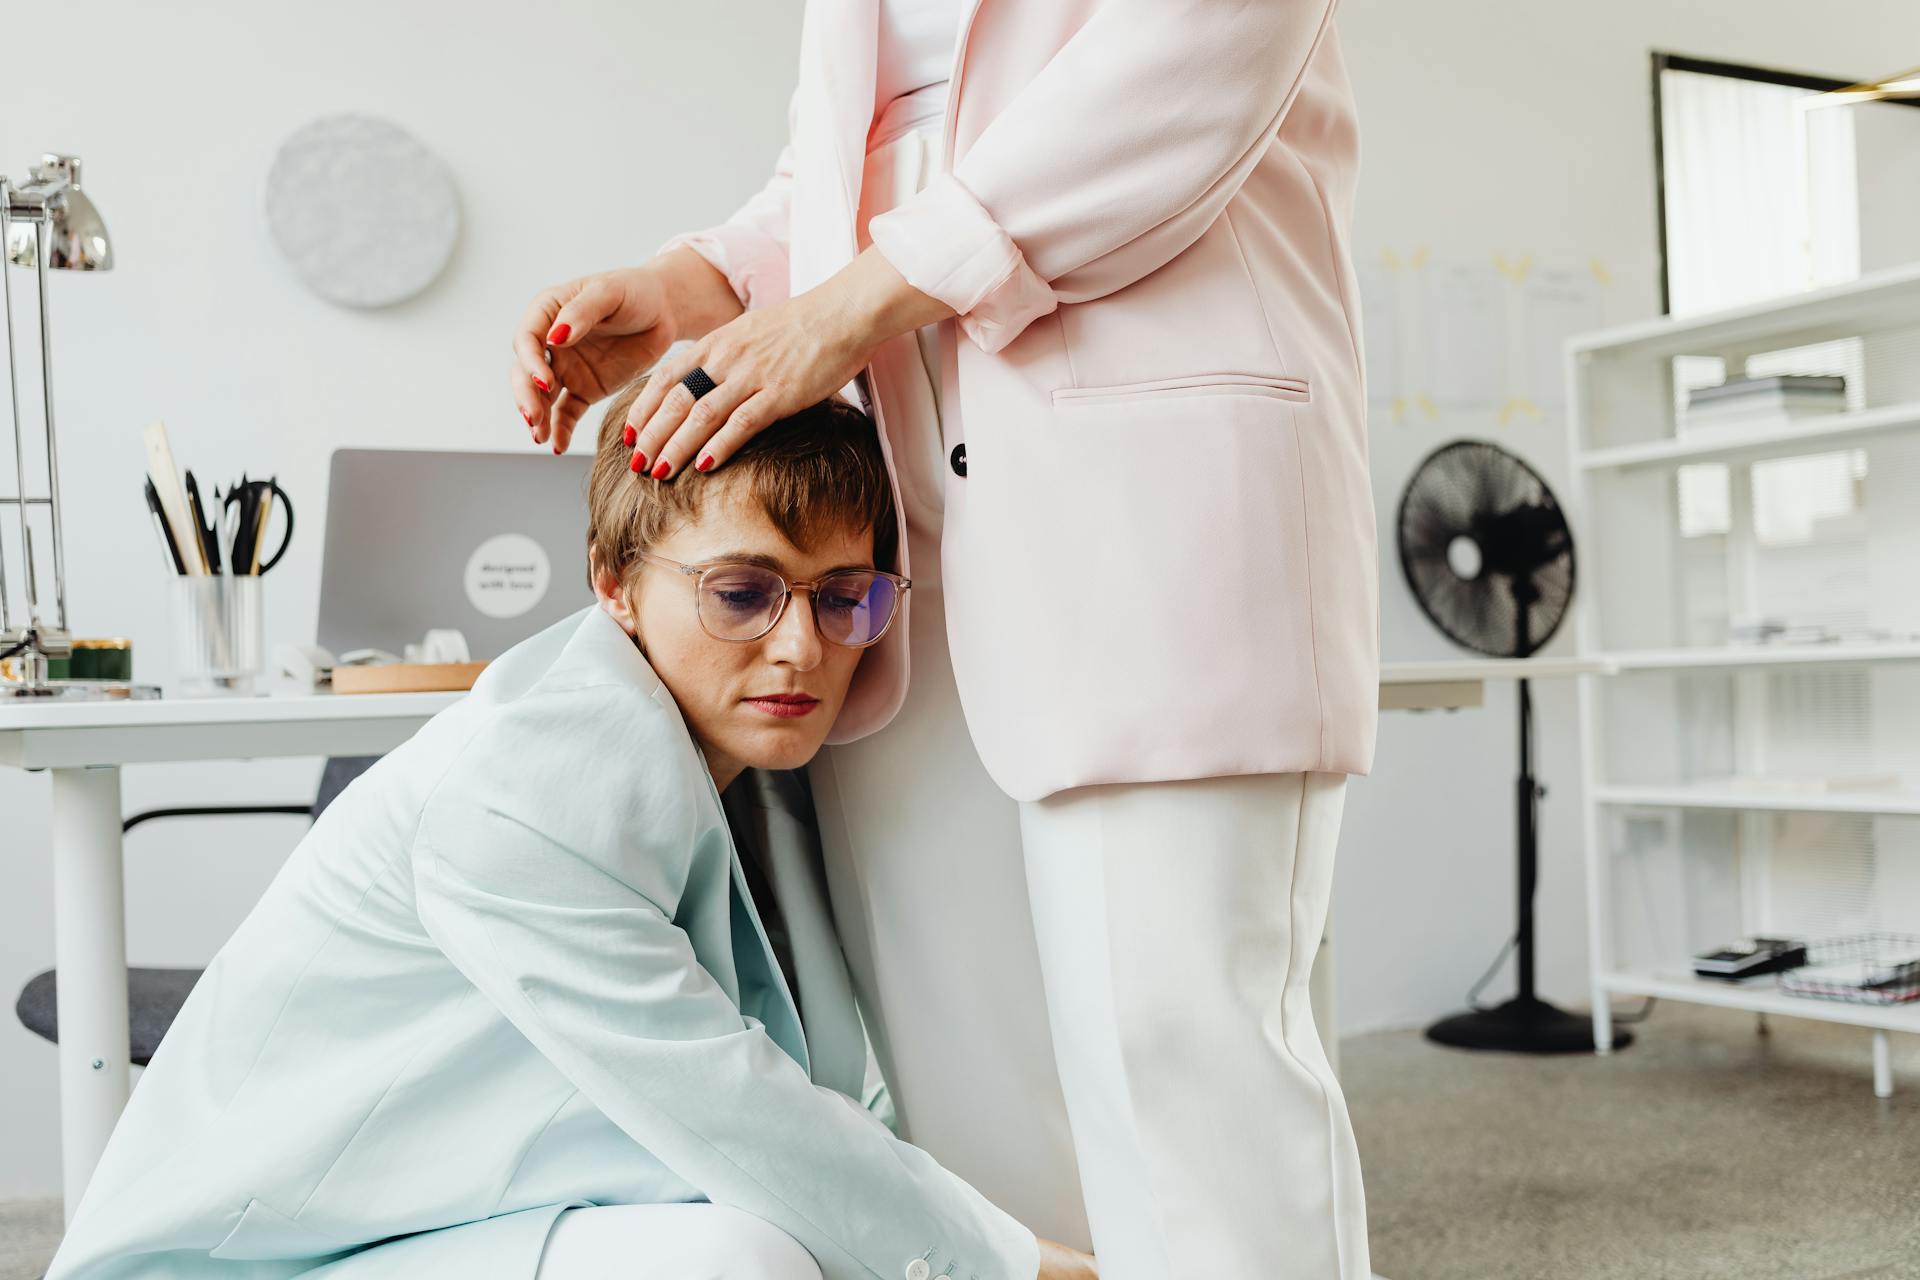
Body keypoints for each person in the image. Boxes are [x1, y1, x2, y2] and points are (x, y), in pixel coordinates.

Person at [513, 3, 1378, 1274]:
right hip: (903, 529)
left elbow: (1187, 69)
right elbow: (862, 159)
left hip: (1141, 500)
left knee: (1180, 1066)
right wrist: (701, 285)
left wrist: (848, 310)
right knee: (965, 1103)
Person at [46, 389, 1096, 1280]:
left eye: (844, 598)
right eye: (741, 590)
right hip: (251, 1260)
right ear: (613, 580)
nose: (800, 647)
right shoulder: (527, 789)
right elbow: (732, 1107)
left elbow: (813, 1087)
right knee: (741, 1259)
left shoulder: (763, 772)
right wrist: (1025, 1261)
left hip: (462, 1216)